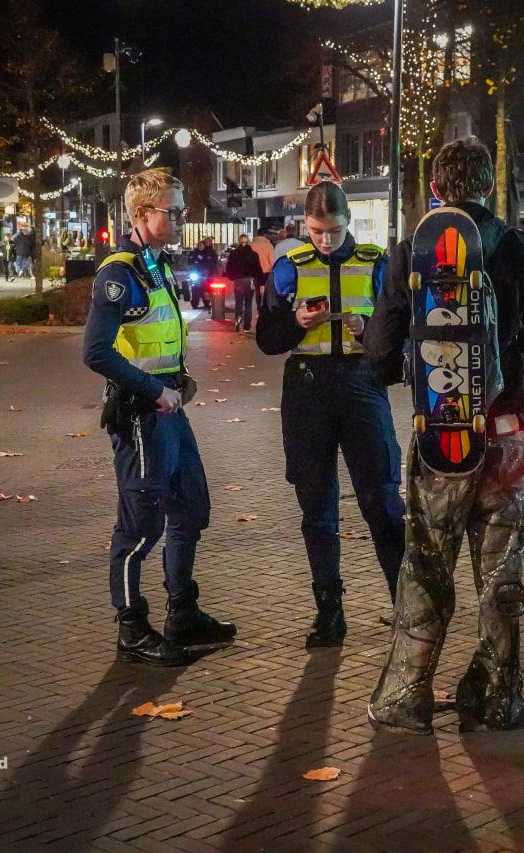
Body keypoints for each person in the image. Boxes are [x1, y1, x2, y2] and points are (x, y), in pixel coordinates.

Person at [364, 137, 524, 734]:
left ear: (438, 190)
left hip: (443, 440)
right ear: (490, 187)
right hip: (505, 438)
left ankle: (406, 696)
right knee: (501, 574)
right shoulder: (522, 251)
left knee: (425, 564)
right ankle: (499, 696)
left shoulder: (408, 255)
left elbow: (378, 356)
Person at [83, 169, 235, 666]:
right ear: (142, 214)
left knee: (190, 508)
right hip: (140, 414)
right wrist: (154, 389)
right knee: (141, 525)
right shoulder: (118, 275)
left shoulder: (157, 266)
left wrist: (180, 376)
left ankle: (182, 613)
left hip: (168, 407)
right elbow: (96, 353)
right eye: (173, 211)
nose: (180, 219)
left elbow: (160, 336)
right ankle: (131, 627)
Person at [256, 181, 404, 648]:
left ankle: (406, 607)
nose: (325, 240)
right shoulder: (288, 268)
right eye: (317, 231)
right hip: (308, 390)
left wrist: (368, 332)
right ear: (305, 225)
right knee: (316, 507)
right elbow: (266, 338)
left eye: (334, 231)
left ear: (349, 224)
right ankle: (329, 613)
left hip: (361, 384)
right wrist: (294, 324)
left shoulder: (376, 263)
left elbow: (399, 335)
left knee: (382, 500)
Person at [225, 233, 263, 332]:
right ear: (248, 242)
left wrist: (232, 277)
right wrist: (261, 281)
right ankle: (247, 326)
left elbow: (229, 267)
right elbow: (257, 269)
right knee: (248, 303)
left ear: (239, 242)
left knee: (238, 302)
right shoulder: (253, 254)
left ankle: (238, 319)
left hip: (238, 280)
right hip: (250, 280)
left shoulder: (234, 254)